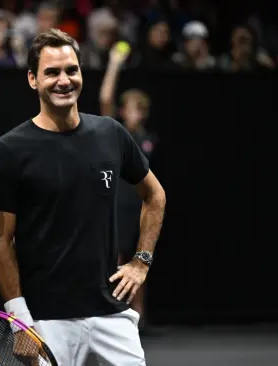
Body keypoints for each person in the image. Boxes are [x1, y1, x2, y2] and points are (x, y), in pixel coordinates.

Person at [0, 29, 166, 366]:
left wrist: (141, 262)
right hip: (46, 320)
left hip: (111, 312)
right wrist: (20, 319)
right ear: (33, 79)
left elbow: (155, 195)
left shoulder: (110, 133)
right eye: (52, 72)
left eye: (71, 70)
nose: (63, 80)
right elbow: (0, 242)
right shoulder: (9, 150)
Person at [99, 42, 159, 330]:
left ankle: (140, 315)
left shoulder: (148, 138)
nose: (135, 113)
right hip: (116, 205)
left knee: (140, 260)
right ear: (123, 111)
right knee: (117, 259)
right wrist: (114, 63)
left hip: (139, 206)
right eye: (130, 108)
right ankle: (117, 312)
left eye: (140, 109)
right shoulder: (115, 132)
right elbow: (105, 98)